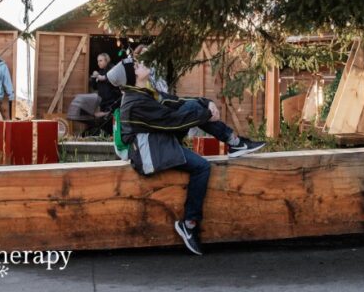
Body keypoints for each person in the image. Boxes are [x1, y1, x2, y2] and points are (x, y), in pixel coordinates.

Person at [107, 58, 265, 256]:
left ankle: (234, 143)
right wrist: (205, 115)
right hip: (150, 152)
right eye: (137, 66)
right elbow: (172, 122)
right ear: (132, 77)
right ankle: (189, 224)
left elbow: (176, 102)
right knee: (202, 167)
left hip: (158, 139)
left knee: (193, 108)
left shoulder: (144, 93)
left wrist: (206, 103)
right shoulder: (135, 103)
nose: (142, 65)